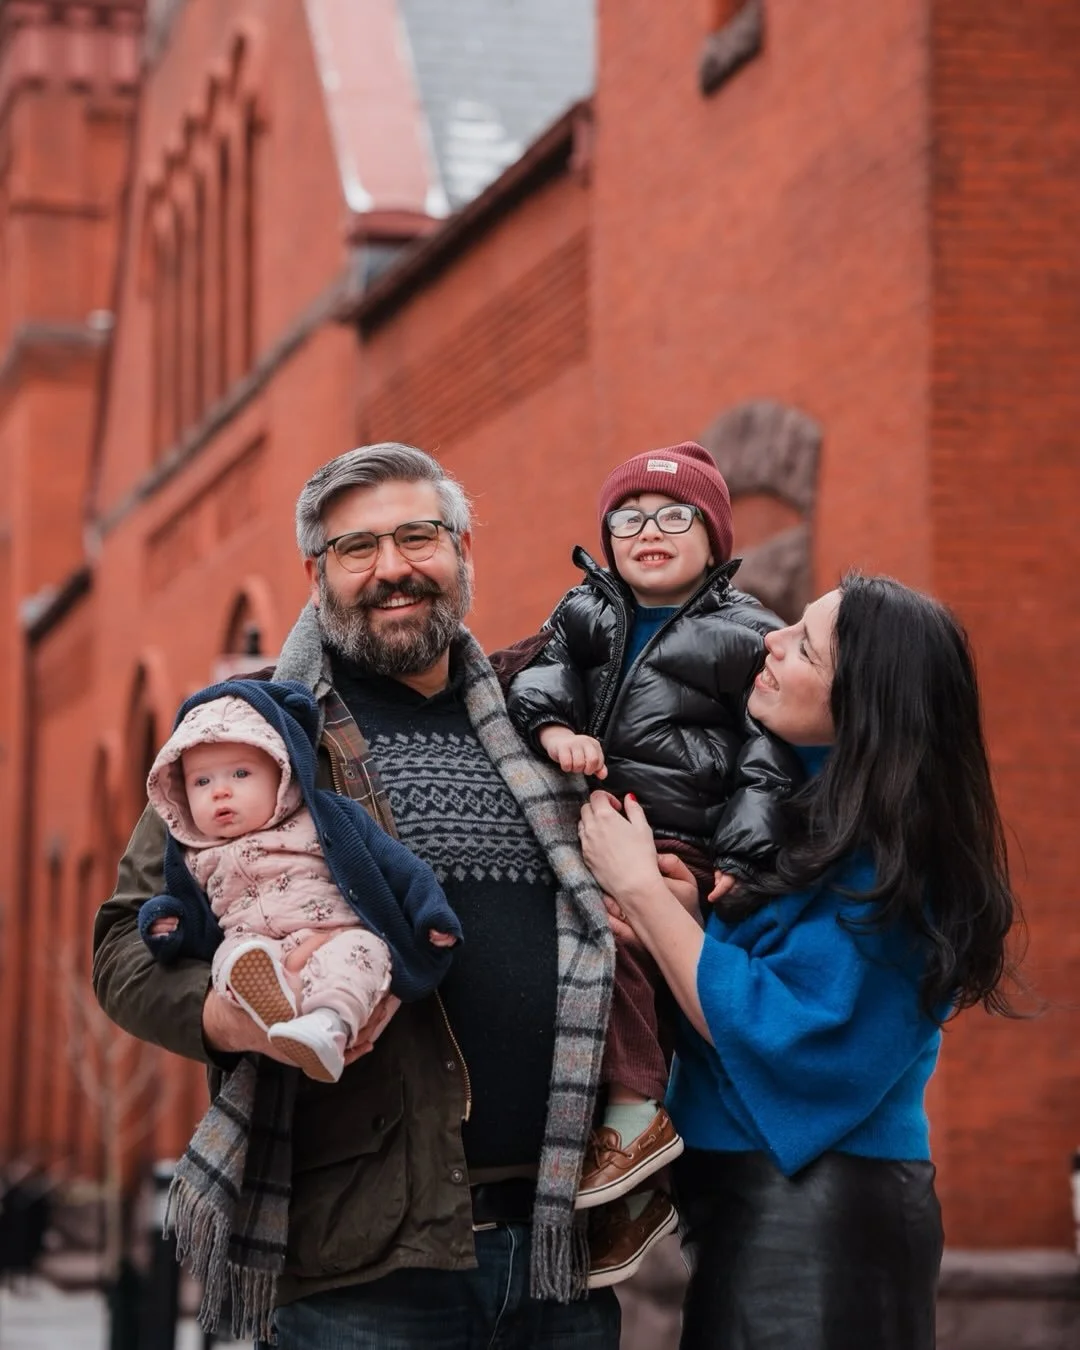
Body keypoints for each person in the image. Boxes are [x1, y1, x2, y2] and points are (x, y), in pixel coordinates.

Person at [92, 443, 629, 1350]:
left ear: (462, 550)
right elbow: (121, 948)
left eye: (418, 537)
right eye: (357, 548)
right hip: (361, 1255)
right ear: (316, 572)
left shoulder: (540, 718)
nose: (393, 570)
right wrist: (233, 1020)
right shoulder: (248, 733)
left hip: (555, 1241)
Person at [577, 573, 1020, 1350]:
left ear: (865, 705)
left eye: (805, 646)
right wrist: (690, 919)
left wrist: (640, 890)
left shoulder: (897, 858)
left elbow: (789, 1032)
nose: (770, 642)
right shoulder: (809, 804)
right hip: (760, 1199)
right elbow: (765, 973)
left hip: (820, 1211)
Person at [504, 441, 801, 1285]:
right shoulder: (584, 611)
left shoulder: (746, 633)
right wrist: (556, 732)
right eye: (628, 519)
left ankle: (635, 1113)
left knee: (624, 943)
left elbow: (766, 755)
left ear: (715, 540)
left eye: (676, 517)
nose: (649, 532)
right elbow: (540, 682)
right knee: (574, 954)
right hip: (593, 821)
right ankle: (622, 1170)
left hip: (677, 835)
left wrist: (740, 855)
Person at [138, 678, 462, 1083]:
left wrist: (430, 912)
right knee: (232, 959)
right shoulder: (191, 856)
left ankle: (326, 1027)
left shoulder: (321, 818)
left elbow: (398, 865)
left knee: (361, 953)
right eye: (202, 782)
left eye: (241, 773)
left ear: (281, 771)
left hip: (335, 931)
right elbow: (193, 921)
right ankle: (269, 1002)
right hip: (253, 943)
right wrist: (167, 925)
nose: (220, 792)